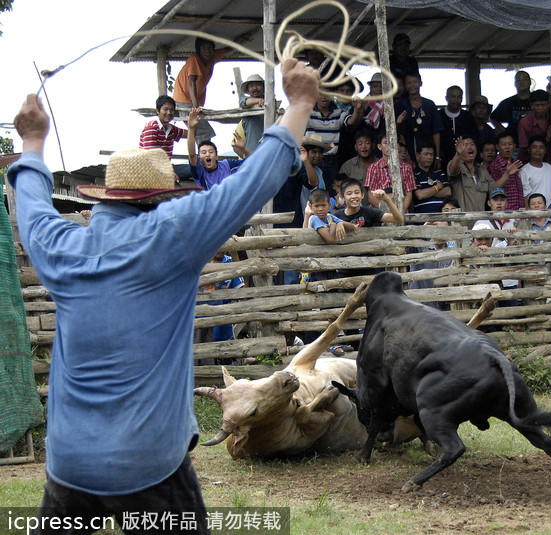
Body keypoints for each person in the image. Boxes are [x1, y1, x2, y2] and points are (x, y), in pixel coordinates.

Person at [8, 58, 319, 529]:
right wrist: (298, 104)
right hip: (148, 462)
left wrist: (32, 142)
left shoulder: (62, 247)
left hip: (69, 463)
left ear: (105, 198)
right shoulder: (173, 235)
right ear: (163, 199)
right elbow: (251, 183)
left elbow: (31, 207)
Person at [173, 37, 230, 143]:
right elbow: (191, 82)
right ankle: (203, 156)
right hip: (184, 101)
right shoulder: (194, 59)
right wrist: (195, 106)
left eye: (209, 48)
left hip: (192, 102)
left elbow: (227, 49)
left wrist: (241, 40)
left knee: (200, 130)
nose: (207, 51)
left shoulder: (211, 58)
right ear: (198, 50)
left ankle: (203, 155)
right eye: (204, 48)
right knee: (203, 131)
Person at [188, 108, 248, 190]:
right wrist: (191, 128)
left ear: (216, 156)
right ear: (200, 158)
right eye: (203, 152)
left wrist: (244, 149)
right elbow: (192, 155)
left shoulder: (227, 165)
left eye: (211, 152)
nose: (207, 154)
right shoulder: (200, 171)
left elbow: (251, 162)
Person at [397, 72, 443, 164]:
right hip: (410, 149)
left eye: (415, 82)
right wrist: (407, 157)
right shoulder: (401, 105)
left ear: (420, 83)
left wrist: (437, 156)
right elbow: (400, 133)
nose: (412, 85)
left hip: (429, 152)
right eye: (409, 83)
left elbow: (436, 132)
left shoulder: (430, 104)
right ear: (405, 85)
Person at [364, 130, 417, 211]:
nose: (389, 146)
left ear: (397, 145)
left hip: (402, 213)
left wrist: (399, 212)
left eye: (392, 142)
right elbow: (371, 197)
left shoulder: (407, 168)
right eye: (385, 143)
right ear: (379, 146)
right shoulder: (373, 168)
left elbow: (409, 194)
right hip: (380, 214)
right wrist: (386, 212)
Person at [447, 135, 494, 212]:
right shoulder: (456, 164)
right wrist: (457, 154)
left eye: (472, 144)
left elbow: (493, 187)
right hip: (462, 220)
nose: (470, 147)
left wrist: (507, 174)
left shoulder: (482, 169)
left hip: (480, 220)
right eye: (465, 145)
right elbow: (453, 171)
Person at [333, 178, 404, 227]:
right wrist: (339, 224)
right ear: (342, 198)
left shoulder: (369, 212)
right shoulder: (337, 216)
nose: (354, 196)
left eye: (357, 193)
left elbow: (398, 219)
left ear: (362, 195)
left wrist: (386, 199)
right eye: (349, 194)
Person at [439, 85, 479, 167]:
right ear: (446, 98)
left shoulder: (468, 116)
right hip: (443, 159)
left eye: (459, 97)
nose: (456, 100)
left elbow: (474, 137)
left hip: (464, 160)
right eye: (453, 97)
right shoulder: (439, 115)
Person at [490, 70, 533, 145]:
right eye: (518, 80)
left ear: (530, 82)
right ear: (515, 84)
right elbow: (493, 118)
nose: (521, 82)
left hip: (534, 144)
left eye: (524, 79)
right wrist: (505, 132)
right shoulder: (508, 102)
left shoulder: (537, 100)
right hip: (514, 145)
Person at [488, 133, 524, 211]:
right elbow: (492, 189)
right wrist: (507, 174)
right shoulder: (494, 166)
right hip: (505, 212)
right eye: (504, 144)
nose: (507, 147)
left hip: (520, 211)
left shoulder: (516, 163)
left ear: (514, 146)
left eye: (510, 144)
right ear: (497, 147)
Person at [413, 139, 451, 213]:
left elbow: (448, 191)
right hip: (422, 218)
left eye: (431, 154)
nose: (429, 157)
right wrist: (437, 187)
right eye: (426, 154)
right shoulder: (413, 174)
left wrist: (427, 192)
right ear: (417, 155)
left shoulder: (439, 172)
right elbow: (420, 195)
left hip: (442, 217)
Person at [517, 89, 551, 163]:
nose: (540, 108)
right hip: (528, 163)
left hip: (550, 160)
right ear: (531, 105)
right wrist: (546, 139)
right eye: (537, 105)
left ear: (548, 104)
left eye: (543, 105)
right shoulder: (525, 123)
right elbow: (525, 149)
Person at [519, 136, 551, 206]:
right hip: (534, 211)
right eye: (534, 147)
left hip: (550, 209)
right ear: (528, 150)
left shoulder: (550, 168)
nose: (537, 150)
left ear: (545, 150)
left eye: (541, 147)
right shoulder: (524, 171)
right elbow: (525, 195)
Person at [236, 74, 266, 155]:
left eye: (258, 85)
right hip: (251, 153)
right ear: (248, 90)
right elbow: (245, 103)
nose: (255, 88)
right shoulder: (244, 100)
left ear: (264, 87)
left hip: (269, 152)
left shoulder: (270, 101)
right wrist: (258, 100)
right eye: (251, 86)